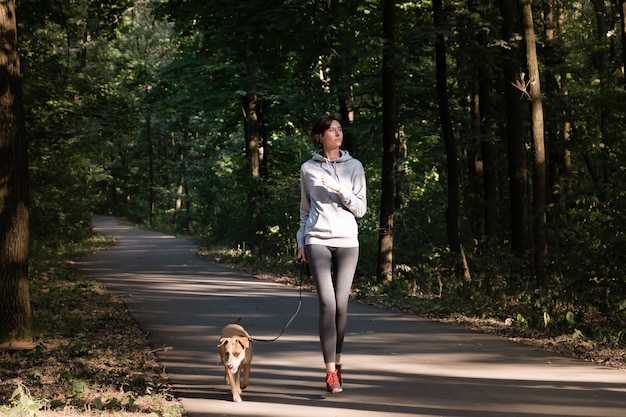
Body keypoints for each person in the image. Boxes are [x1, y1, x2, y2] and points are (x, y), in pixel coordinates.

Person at [296, 114, 367, 393]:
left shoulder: (355, 166)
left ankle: (338, 363)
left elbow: (361, 209)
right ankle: (330, 374)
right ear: (320, 136)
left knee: (341, 306)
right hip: (317, 239)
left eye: (340, 130)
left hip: (348, 241)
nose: (338, 134)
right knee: (327, 302)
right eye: (332, 130)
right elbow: (304, 210)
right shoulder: (308, 169)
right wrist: (301, 241)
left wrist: (341, 189)